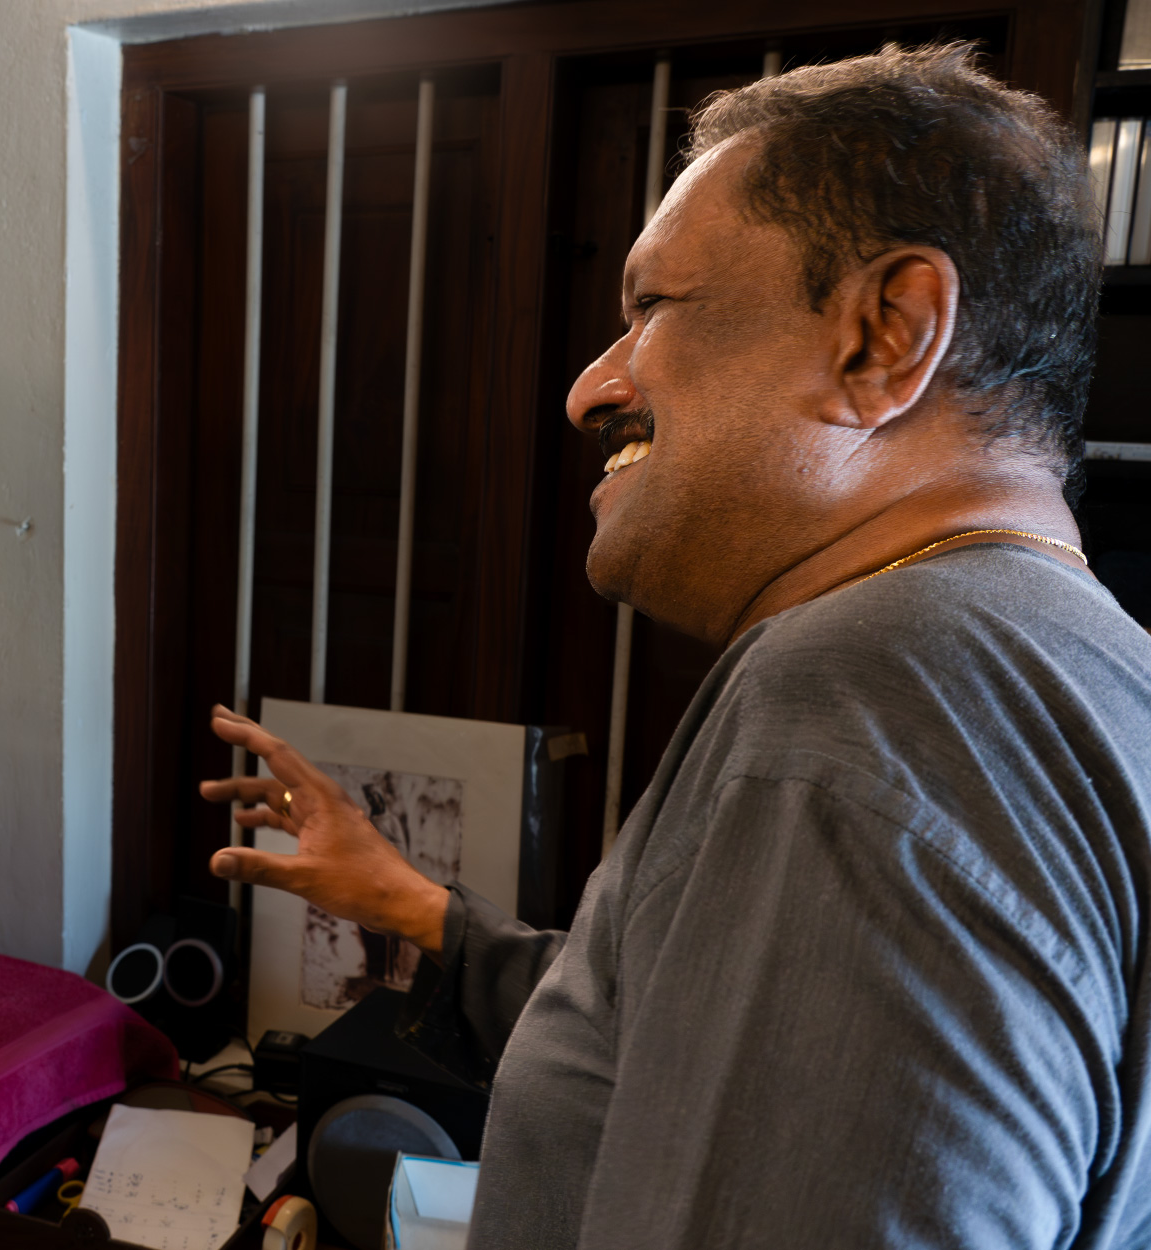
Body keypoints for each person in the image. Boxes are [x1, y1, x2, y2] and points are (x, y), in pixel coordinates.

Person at [205, 44, 1151, 1249]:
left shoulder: (865, 688)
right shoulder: (1073, 662)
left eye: (649, 307)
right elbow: (675, 1029)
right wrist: (414, 906)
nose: (589, 390)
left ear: (883, 334)